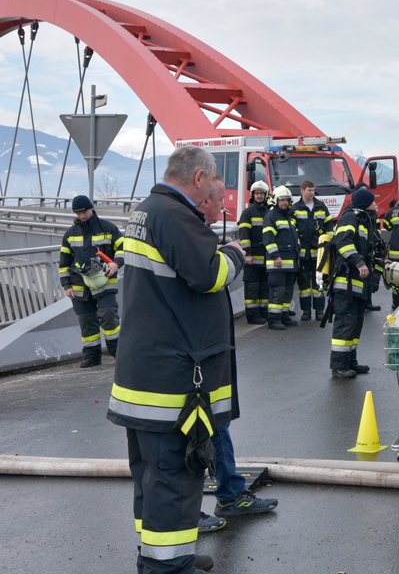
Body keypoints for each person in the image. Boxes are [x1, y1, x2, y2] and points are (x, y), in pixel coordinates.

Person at [106, 144, 245, 574]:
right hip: (172, 384)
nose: (210, 207)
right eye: (211, 196)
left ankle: (161, 556)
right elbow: (208, 274)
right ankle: (168, 567)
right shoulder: (174, 215)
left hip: (144, 376)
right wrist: (236, 255)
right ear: (200, 178)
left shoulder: (146, 210)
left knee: (151, 477)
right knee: (174, 478)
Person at [196, 178, 277, 534]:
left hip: (213, 352)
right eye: (218, 202)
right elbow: (209, 280)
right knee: (200, 433)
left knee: (218, 426)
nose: (222, 210)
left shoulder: (192, 235)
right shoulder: (188, 238)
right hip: (198, 358)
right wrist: (232, 254)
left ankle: (230, 493)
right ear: (203, 200)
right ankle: (196, 507)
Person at [59, 194, 124, 367]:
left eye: (84, 212)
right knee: (86, 322)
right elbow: (64, 262)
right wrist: (66, 285)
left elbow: (123, 248)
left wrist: (117, 263)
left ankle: (118, 353)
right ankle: (92, 357)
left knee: (109, 316)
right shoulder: (70, 234)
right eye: (78, 213)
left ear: (91, 209)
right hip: (79, 285)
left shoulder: (108, 228)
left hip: (104, 281)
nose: (81, 216)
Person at [329, 188, 381, 378]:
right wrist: (359, 261)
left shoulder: (364, 220)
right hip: (346, 284)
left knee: (355, 323)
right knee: (345, 323)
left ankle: (350, 361)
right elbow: (342, 242)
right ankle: (338, 366)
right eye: (372, 201)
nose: (375, 203)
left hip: (358, 284)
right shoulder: (349, 217)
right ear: (364, 202)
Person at [292, 179, 333, 321]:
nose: (311, 192)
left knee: (319, 283)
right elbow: (292, 230)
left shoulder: (321, 207)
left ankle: (320, 311)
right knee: (303, 285)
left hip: (319, 254)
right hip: (303, 254)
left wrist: (326, 240)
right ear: (302, 191)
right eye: (309, 190)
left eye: (313, 190)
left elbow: (330, 227)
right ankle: (306, 311)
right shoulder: (295, 208)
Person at [263, 186, 300, 329]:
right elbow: (268, 238)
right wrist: (275, 256)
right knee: (277, 293)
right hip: (277, 264)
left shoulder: (288, 217)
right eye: (282, 200)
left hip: (290, 264)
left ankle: (284, 316)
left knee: (287, 293)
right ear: (276, 201)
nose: (284, 202)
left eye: (287, 200)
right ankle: (274, 320)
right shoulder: (271, 216)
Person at [237, 180, 271, 324]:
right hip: (252, 259)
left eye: (261, 193)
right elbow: (244, 236)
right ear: (252, 195)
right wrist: (248, 254)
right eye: (256, 193)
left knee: (264, 288)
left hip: (265, 259)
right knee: (252, 289)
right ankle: (252, 316)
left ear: (266, 195)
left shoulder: (269, 213)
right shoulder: (247, 213)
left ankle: (263, 313)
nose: (259, 196)